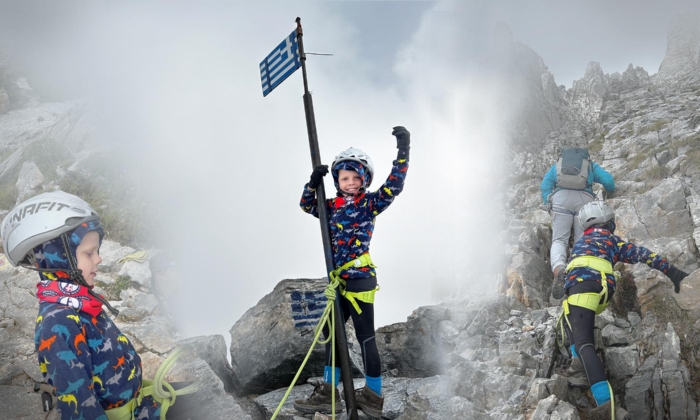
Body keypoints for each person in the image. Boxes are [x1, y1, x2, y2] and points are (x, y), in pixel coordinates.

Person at [1, 191, 187, 419]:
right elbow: (79, 409)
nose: (98, 259)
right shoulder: (57, 324)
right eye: (89, 253)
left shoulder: (81, 301)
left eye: (97, 251)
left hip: (145, 405)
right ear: (59, 259)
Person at [294, 126, 410, 419]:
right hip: (341, 281)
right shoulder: (330, 206)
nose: (350, 182)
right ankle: (329, 393)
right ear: (337, 180)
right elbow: (306, 205)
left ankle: (372, 395)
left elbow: (394, 185)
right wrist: (312, 182)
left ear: (365, 180)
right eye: (344, 177)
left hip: (359, 279)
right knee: (333, 334)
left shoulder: (370, 203)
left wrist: (403, 150)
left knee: (365, 337)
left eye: (356, 177)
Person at [556, 201, 688, 420]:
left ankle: (608, 409)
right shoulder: (611, 240)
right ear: (609, 222)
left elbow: (566, 276)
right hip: (602, 288)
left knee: (584, 342)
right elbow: (642, 254)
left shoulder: (579, 244)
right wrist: (672, 272)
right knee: (571, 319)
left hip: (580, 289)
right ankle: (579, 368)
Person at [540, 147, 615, 299]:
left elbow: (545, 185)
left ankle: (559, 269)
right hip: (584, 200)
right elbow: (608, 181)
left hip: (560, 200)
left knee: (559, 239)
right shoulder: (589, 165)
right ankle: (577, 277)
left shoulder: (558, 166)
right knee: (582, 240)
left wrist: (548, 200)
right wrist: (610, 190)